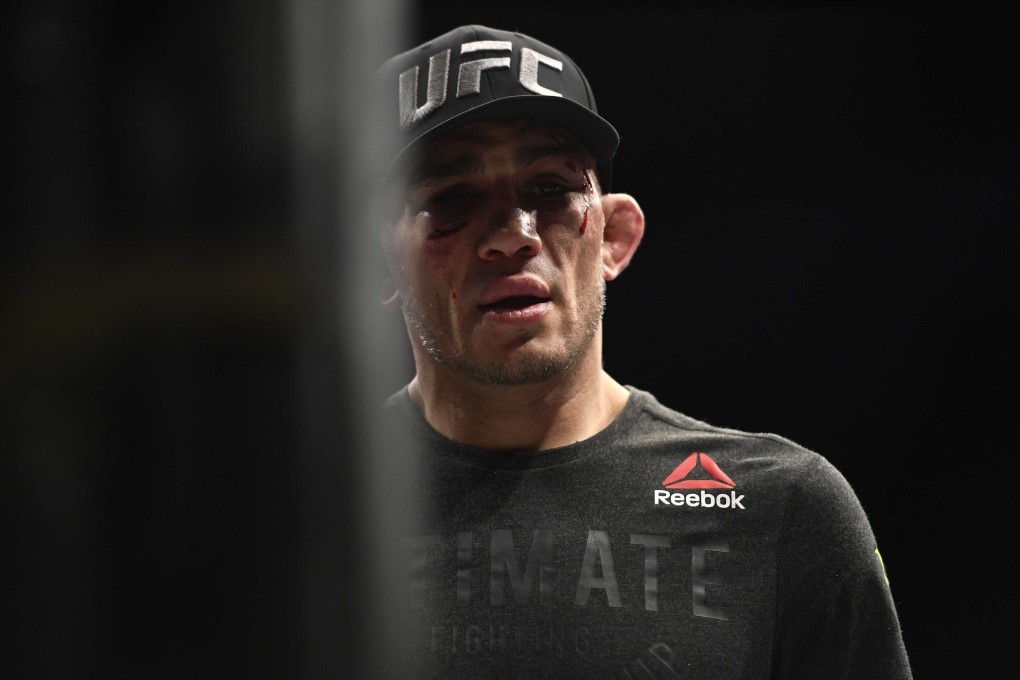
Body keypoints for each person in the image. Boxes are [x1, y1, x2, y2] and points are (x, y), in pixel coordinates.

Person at [371, 24, 913, 679]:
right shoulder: (287, 515)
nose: (512, 238)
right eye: (451, 199)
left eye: (549, 189)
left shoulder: (783, 512)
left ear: (615, 238)